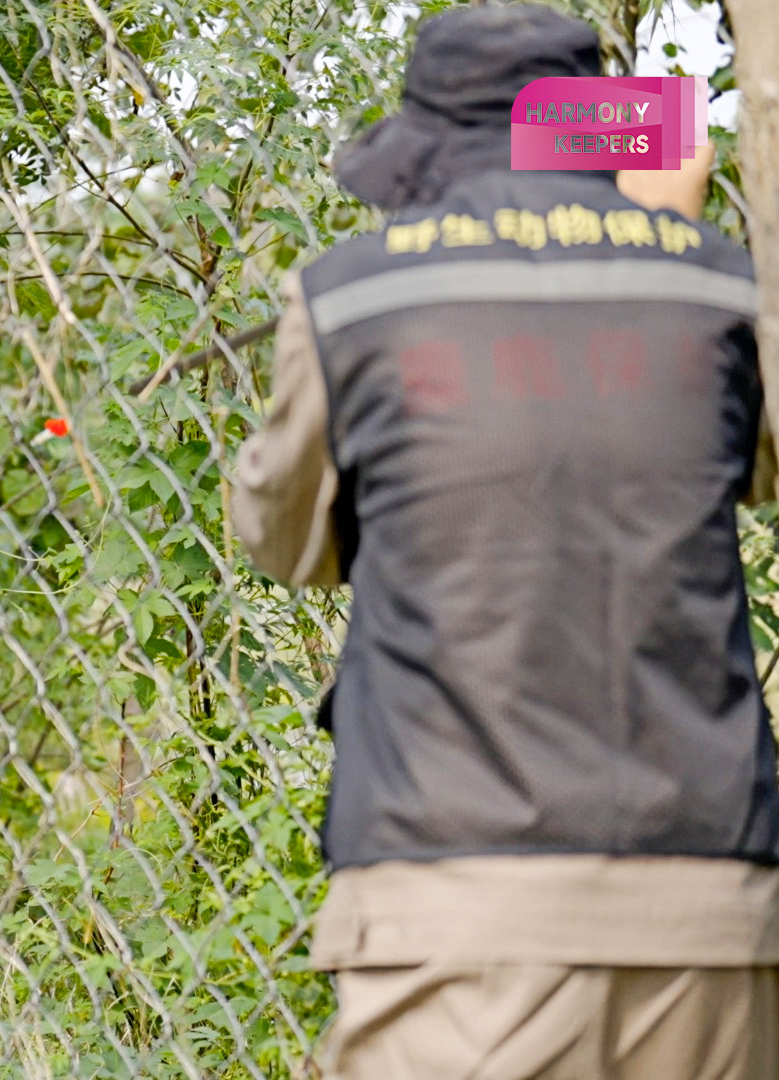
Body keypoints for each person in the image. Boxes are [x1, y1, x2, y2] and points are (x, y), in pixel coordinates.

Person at [230, 5, 779, 1077]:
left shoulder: (354, 298)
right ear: (595, 131)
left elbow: (284, 539)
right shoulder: (719, 289)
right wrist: (670, 226)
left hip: (453, 904)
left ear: (431, 145)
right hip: (714, 905)